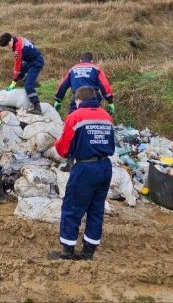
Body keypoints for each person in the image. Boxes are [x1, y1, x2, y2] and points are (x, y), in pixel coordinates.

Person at [48, 86, 114, 260]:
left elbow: (63, 149)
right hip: (105, 166)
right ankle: (88, 251)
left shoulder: (75, 116)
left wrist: (58, 145)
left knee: (72, 208)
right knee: (96, 209)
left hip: (85, 168)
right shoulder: (106, 116)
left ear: (78, 100)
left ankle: (67, 251)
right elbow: (111, 145)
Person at [0, 32, 44, 115]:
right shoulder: (18, 39)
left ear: (11, 39)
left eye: (8, 44)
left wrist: (14, 81)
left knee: (28, 85)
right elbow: (31, 43)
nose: (8, 47)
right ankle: (31, 81)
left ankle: (37, 107)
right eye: (6, 46)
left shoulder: (17, 48)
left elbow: (17, 65)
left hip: (36, 62)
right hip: (30, 60)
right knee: (20, 75)